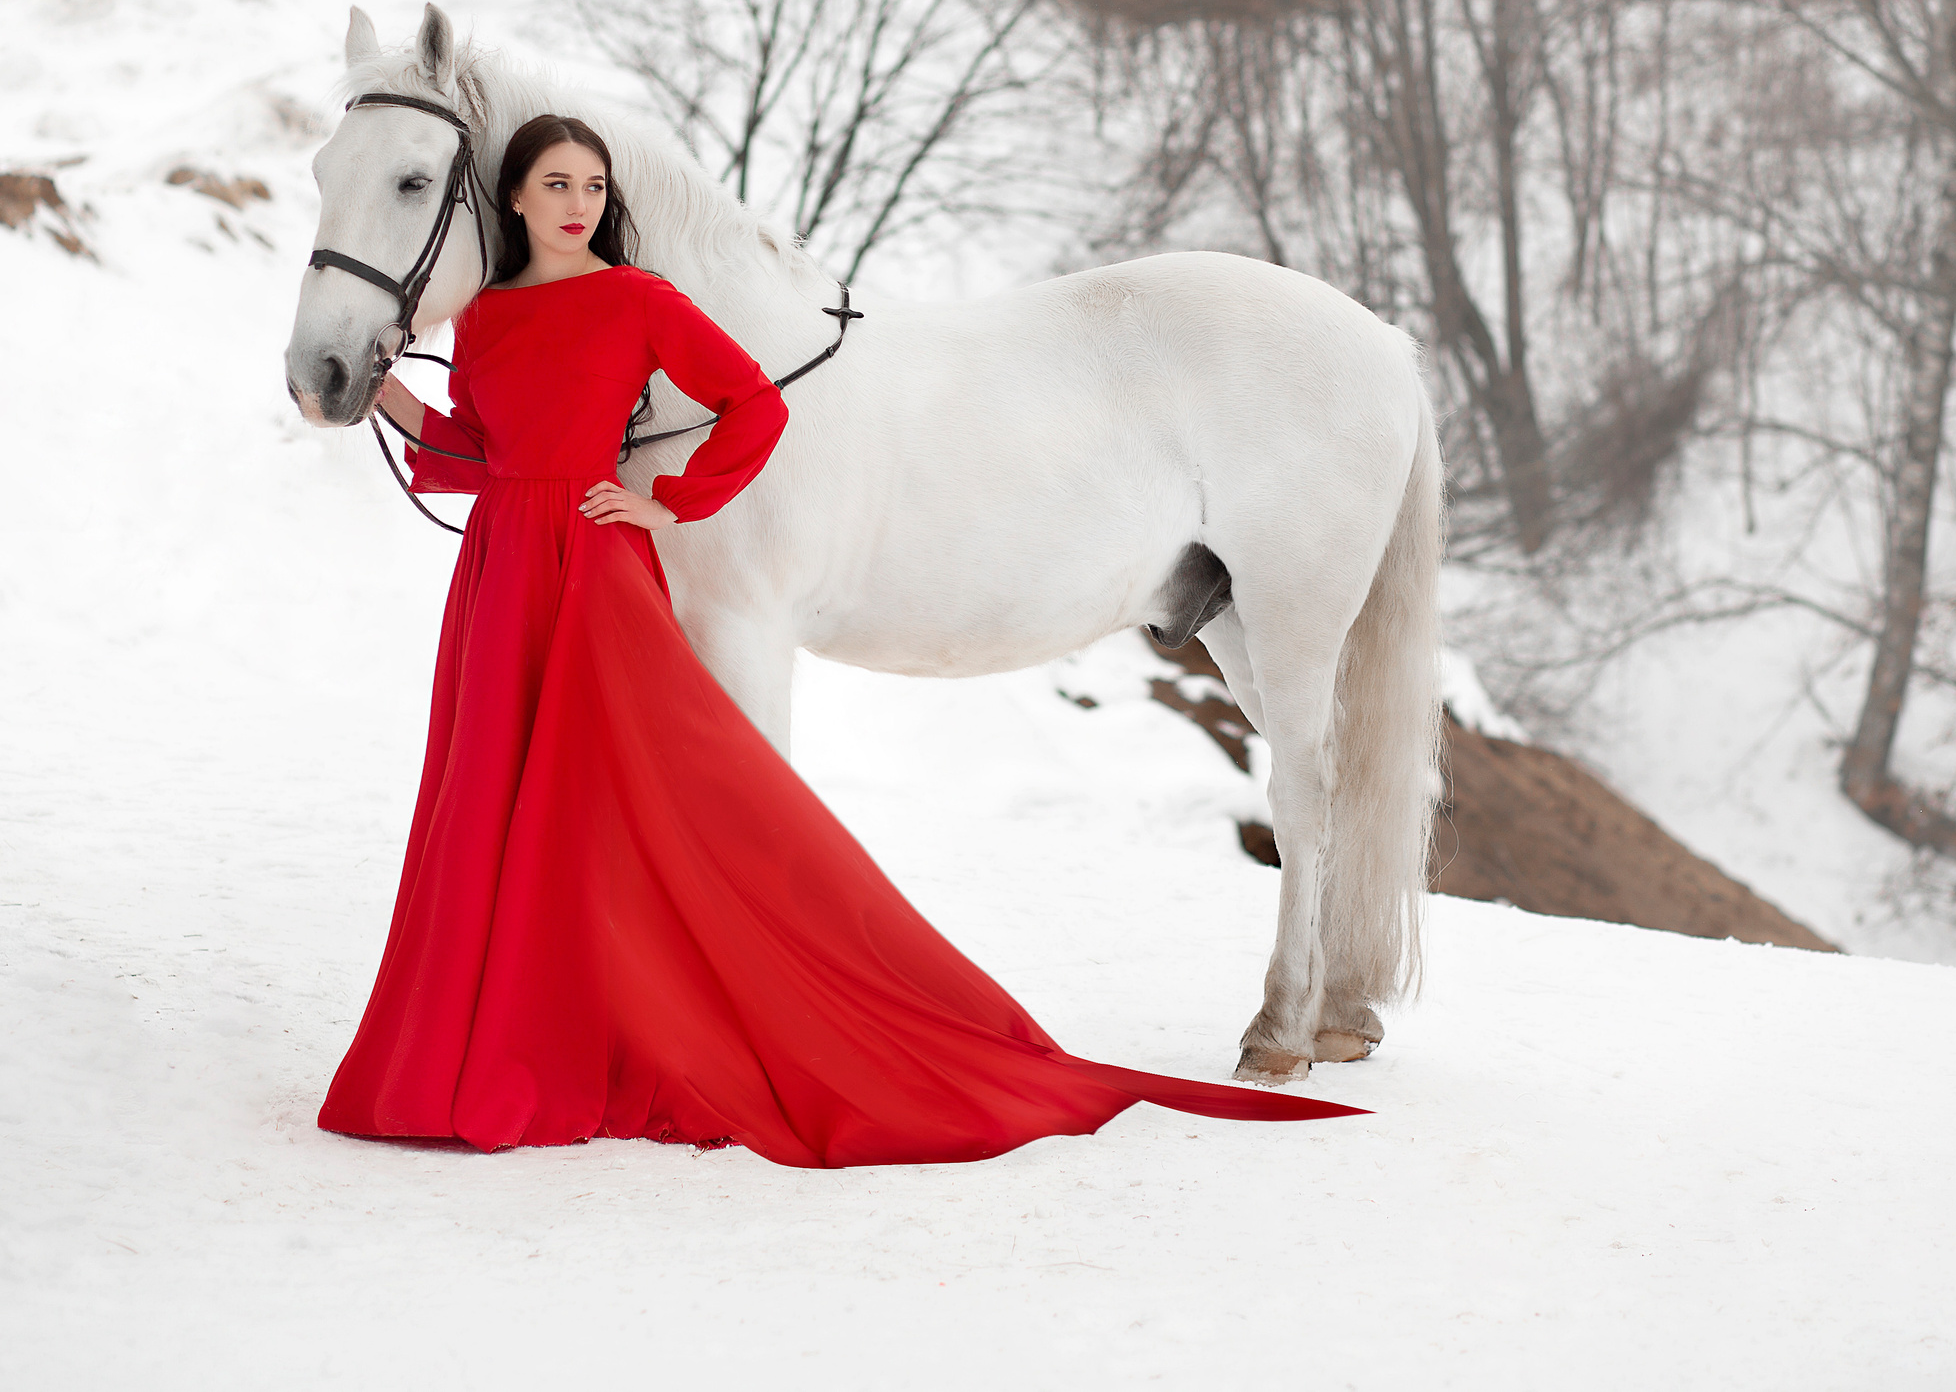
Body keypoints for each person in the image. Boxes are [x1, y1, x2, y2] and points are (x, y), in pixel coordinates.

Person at [316, 112, 1360, 1167]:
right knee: (493, 798)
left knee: (648, 793)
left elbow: (753, 408)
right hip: (499, 570)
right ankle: (509, 1039)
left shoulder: (638, 300)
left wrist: (673, 502)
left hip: (591, 570)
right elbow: (475, 452)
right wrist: (386, 392)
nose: (577, 204)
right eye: (555, 185)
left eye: (592, 186)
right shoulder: (486, 320)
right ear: (516, 198)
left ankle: (709, 1018)